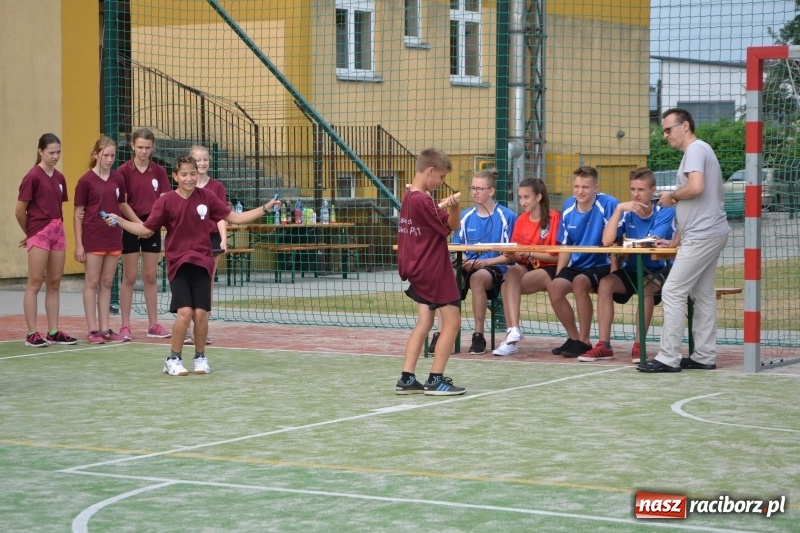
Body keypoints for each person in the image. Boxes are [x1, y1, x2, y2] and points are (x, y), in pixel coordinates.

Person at [106, 155, 281, 376]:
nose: (189, 178)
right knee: (185, 313)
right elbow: (145, 229)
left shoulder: (207, 197)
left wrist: (265, 208)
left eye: (192, 174)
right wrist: (119, 220)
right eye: (184, 174)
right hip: (178, 264)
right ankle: (173, 359)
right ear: (175, 176)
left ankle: (200, 357)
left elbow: (235, 218)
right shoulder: (166, 201)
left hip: (203, 262)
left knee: (200, 313)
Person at [638, 108, 730, 373]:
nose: (665, 135)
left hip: (704, 235)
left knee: (672, 290)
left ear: (685, 126)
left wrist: (672, 196)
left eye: (668, 129)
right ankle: (703, 355)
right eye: (663, 131)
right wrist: (676, 240)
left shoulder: (696, 150)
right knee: (702, 294)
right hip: (705, 233)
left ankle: (668, 357)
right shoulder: (697, 151)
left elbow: (696, 188)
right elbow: (697, 207)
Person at [576, 167, 675, 363]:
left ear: (653, 191)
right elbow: (606, 240)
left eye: (641, 190)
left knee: (646, 286)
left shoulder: (665, 211)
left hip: (658, 270)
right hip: (631, 270)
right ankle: (604, 345)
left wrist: (628, 243)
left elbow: (651, 241)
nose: (636, 195)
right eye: (632, 190)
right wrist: (620, 209)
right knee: (605, 283)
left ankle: (640, 346)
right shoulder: (626, 212)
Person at [396, 148, 465, 395]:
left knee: (424, 322)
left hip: (417, 268)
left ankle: (407, 378)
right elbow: (450, 226)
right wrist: (454, 209)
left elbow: (438, 221)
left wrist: (450, 207)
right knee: (453, 321)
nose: (441, 182)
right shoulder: (423, 200)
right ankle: (435, 379)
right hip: (433, 270)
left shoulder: (409, 195)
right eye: (441, 177)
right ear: (431, 171)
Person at [547, 165, 619, 358]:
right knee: (554, 287)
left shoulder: (609, 204)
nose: (580, 191)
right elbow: (566, 245)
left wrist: (615, 271)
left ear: (596, 187)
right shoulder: (568, 206)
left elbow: (617, 242)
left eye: (585, 187)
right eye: (577, 186)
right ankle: (574, 337)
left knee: (580, 282)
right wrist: (560, 273)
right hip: (578, 264)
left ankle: (585, 341)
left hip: (601, 264)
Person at [444, 168, 517, 354]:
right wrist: (465, 258)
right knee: (447, 276)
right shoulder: (465, 216)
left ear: (491, 191)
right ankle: (443, 334)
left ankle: (478, 335)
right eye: (473, 188)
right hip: (468, 265)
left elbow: (510, 255)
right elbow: (456, 248)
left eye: (479, 188)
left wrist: (486, 262)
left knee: (478, 278)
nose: (475, 192)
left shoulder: (506, 216)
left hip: (495, 267)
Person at [15, 133, 78, 347]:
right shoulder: (32, 176)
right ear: (40, 151)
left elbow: (58, 206)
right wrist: (31, 232)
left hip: (57, 230)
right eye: (51, 152)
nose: (55, 156)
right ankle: (32, 333)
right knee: (35, 283)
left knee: (54, 283)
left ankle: (53, 331)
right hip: (40, 231)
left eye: (58, 152)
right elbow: (19, 211)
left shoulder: (60, 178)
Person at [74, 136, 137, 344]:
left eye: (113, 155)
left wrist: (139, 225)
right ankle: (92, 329)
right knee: (92, 282)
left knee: (107, 282)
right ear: (95, 155)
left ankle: (105, 328)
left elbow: (121, 205)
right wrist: (79, 244)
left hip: (113, 238)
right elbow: (78, 213)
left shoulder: (118, 179)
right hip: (93, 238)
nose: (110, 159)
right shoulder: (85, 181)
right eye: (105, 155)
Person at [492, 177, 561, 356]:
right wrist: (510, 254)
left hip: (549, 267)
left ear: (538, 197)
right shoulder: (521, 220)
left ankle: (511, 337)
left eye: (526, 197)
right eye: (520, 197)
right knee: (512, 273)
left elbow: (556, 257)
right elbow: (516, 255)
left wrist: (529, 253)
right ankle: (513, 331)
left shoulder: (554, 218)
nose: (522, 202)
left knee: (507, 286)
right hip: (526, 265)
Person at [117, 128, 173, 341]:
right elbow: (122, 203)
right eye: (140, 147)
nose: (143, 151)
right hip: (131, 226)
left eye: (147, 148)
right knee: (129, 277)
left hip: (152, 227)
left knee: (150, 277)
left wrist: (151, 224)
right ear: (132, 146)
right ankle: (125, 326)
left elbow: (164, 198)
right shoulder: (123, 171)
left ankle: (153, 324)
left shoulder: (159, 171)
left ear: (153, 148)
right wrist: (139, 224)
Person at [183, 145, 228, 345]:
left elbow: (222, 216)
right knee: (186, 282)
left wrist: (224, 239)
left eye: (205, 160)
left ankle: (201, 330)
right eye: (198, 160)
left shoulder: (216, 187)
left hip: (211, 239)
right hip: (188, 239)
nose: (202, 163)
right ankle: (184, 328)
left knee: (206, 284)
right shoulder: (185, 184)